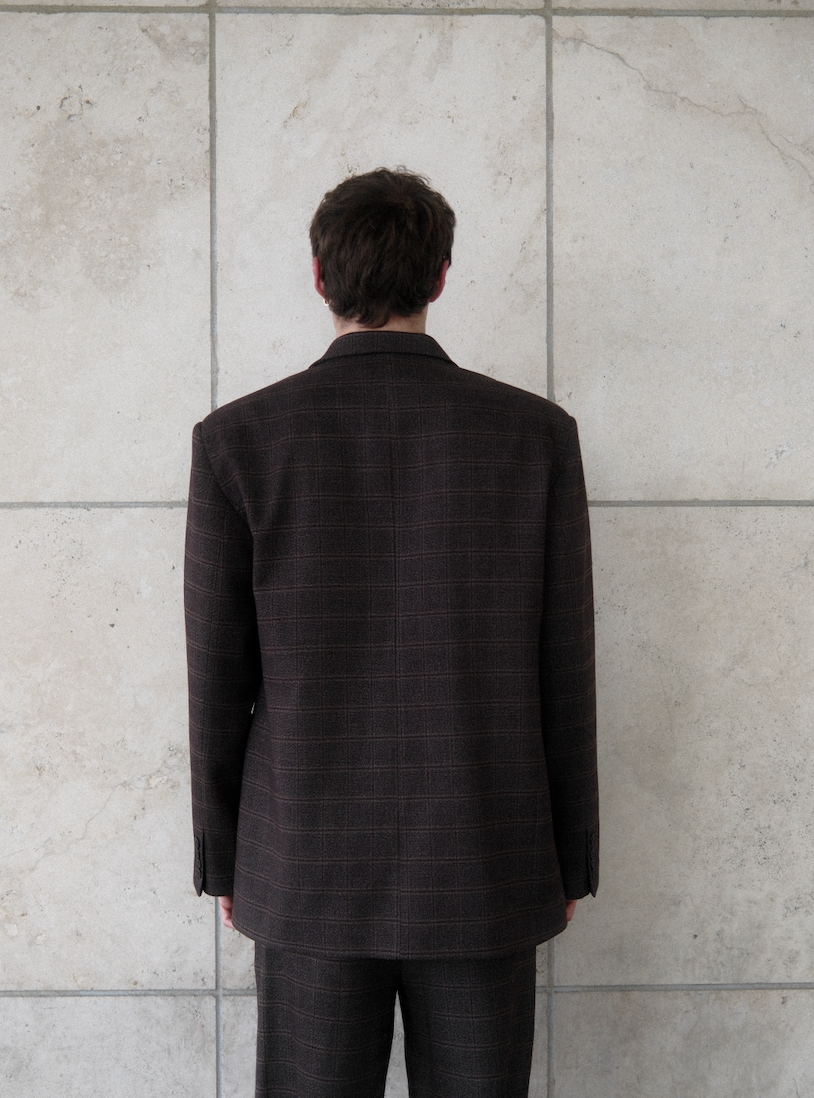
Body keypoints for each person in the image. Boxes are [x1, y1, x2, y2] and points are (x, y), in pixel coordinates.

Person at [184, 167, 598, 1098]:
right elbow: (565, 670)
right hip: (487, 854)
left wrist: (225, 855)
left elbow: (216, 676)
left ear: (320, 277)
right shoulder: (536, 437)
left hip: (305, 864)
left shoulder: (239, 440)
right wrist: (568, 854)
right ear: (442, 276)